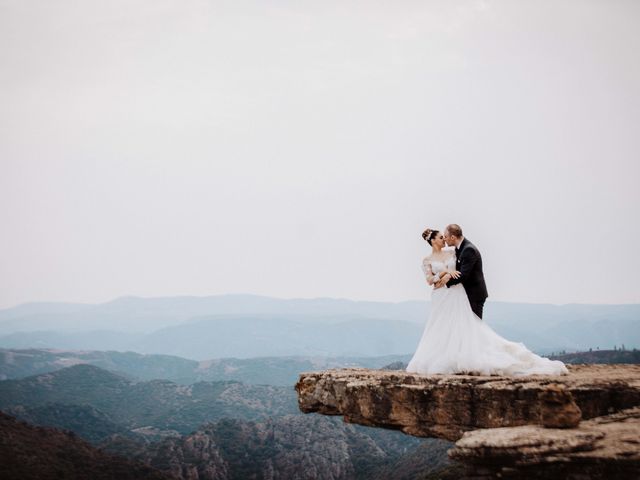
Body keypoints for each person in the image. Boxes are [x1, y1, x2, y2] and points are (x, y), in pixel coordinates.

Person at [406, 226, 568, 376]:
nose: (444, 239)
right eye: (441, 237)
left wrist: (449, 275)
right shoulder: (427, 260)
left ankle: (463, 356)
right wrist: (443, 274)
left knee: (463, 325)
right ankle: (444, 355)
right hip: (440, 296)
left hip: (456, 294)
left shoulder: (453, 252)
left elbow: (462, 272)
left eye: (445, 237)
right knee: (442, 327)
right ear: (433, 241)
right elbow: (429, 280)